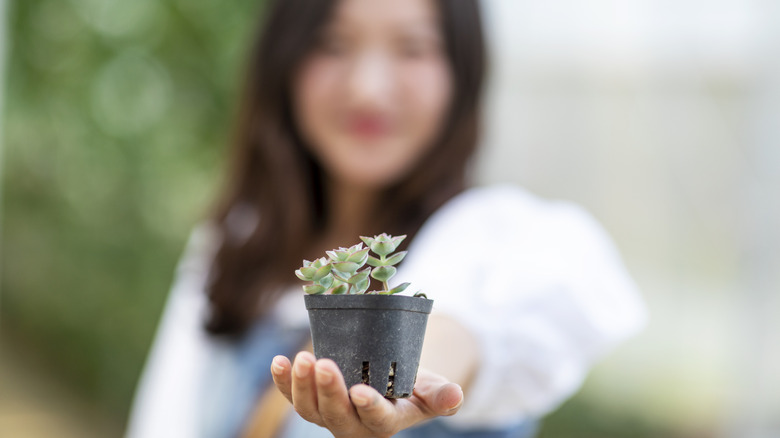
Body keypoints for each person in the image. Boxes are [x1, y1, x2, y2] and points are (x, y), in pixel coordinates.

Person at [126, 0, 646, 437]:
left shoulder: (492, 236)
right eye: (332, 43)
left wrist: (411, 367)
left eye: (412, 48)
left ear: (461, 73)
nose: (369, 89)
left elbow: (524, 299)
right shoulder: (237, 240)